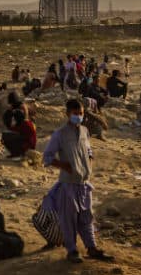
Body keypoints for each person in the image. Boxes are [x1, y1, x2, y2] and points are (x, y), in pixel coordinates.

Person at [41, 99, 113, 263]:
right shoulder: (60, 134)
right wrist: (64, 166)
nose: (78, 116)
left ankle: (91, 248)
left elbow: (88, 150)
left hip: (84, 183)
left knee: (86, 216)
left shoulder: (85, 131)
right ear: (67, 114)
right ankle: (72, 250)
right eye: (75, 114)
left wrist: (89, 162)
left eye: (80, 114)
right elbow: (47, 157)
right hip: (68, 184)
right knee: (69, 218)